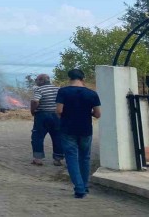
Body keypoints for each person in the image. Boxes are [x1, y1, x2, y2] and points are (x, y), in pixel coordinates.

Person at [56, 68, 101, 199]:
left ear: (70, 78)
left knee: (71, 158)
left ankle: (79, 188)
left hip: (68, 129)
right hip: (85, 129)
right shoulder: (92, 94)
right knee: (85, 158)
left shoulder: (63, 91)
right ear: (83, 79)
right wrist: (88, 113)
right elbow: (98, 114)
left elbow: (59, 110)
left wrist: (64, 117)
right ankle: (85, 185)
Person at [30, 74, 63, 166]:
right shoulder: (58, 89)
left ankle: (38, 159)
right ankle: (57, 159)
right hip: (57, 116)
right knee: (57, 136)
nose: (36, 82)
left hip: (42, 115)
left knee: (37, 136)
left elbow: (35, 101)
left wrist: (33, 110)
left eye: (36, 80)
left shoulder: (39, 89)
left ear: (41, 81)